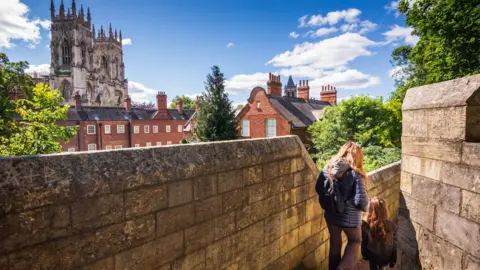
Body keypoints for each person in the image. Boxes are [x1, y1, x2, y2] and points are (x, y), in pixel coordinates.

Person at [315, 141, 368, 270]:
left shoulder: (327, 168)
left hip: (331, 215)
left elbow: (318, 188)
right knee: (355, 241)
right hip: (350, 219)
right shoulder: (356, 174)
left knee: (335, 246)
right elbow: (360, 203)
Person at [361, 197, 397, 270]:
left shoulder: (365, 225)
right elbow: (394, 245)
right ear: (385, 210)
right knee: (382, 267)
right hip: (385, 256)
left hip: (372, 256)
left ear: (370, 211)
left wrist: (364, 255)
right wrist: (393, 260)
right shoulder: (392, 225)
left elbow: (363, 243)